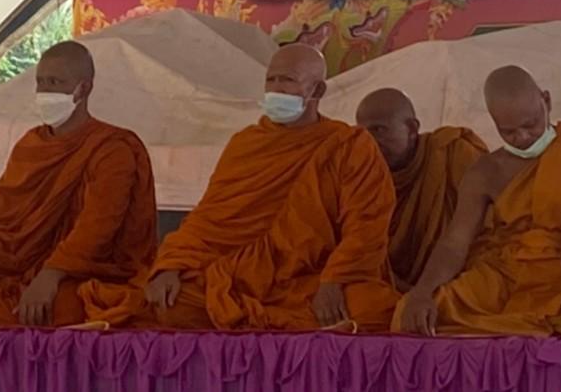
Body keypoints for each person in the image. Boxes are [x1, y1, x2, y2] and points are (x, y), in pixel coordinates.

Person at [84, 45, 398, 330]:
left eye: (287, 80)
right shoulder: (246, 144)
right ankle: (286, 325)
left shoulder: (349, 146)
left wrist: (334, 281)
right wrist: (171, 265)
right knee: (173, 304)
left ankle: (262, 320)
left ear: (317, 90)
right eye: (271, 80)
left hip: (312, 280)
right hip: (241, 277)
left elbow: (367, 227)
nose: (276, 88)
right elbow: (208, 219)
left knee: (373, 309)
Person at [397, 65, 561, 337]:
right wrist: (422, 292)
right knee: (408, 314)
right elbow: (455, 243)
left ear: (546, 101)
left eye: (530, 125)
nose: (523, 138)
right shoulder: (486, 172)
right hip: (505, 278)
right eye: (509, 132)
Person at [0, 41, 157, 327]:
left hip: (80, 278)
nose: (45, 91)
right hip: (21, 278)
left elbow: (96, 231)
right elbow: (2, 227)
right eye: (41, 82)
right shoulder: (30, 146)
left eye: (55, 82)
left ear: (83, 89)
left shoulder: (113, 150)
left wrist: (51, 275)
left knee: (65, 309)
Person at [354, 88, 487, 289]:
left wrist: (425, 292)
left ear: (411, 129)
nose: (369, 142)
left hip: (460, 280)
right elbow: (361, 252)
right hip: (394, 288)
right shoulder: (361, 177)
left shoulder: (454, 153)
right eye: (363, 133)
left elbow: (489, 231)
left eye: (379, 130)